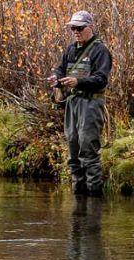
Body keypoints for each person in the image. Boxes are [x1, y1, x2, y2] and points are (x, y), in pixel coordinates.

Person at [48, 10, 113, 196]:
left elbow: (101, 79)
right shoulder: (71, 49)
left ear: (90, 27)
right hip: (72, 103)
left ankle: (94, 200)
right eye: (73, 28)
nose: (75, 31)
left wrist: (78, 82)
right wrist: (56, 79)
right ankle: (79, 198)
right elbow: (60, 69)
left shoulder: (100, 51)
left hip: (91, 105)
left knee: (89, 152)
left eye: (79, 28)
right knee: (73, 151)